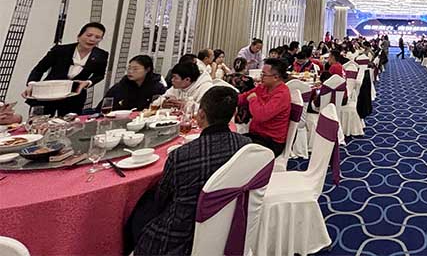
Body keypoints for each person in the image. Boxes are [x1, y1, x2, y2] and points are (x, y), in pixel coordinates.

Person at [132, 86, 251, 255]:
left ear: (201, 114)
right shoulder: (246, 146)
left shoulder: (181, 156)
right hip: (230, 225)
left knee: (140, 207)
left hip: (180, 236)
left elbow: (162, 199)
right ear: (234, 114)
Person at [24, 22, 109, 116]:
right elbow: (39, 69)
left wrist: (88, 82)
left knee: (70, 123)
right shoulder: (60, 50)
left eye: (97, 37)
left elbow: (99, 75)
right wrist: (32, 84)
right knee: (39, 122)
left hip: (74, 96)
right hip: (48, 93)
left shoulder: (101, 55)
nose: (92, 39)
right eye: (89, 35)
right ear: (79, 36)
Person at [240, 58, 291, 157]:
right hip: (257, 135)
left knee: (233, 148)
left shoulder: (282, 94)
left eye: (264, 75)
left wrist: (253, 99)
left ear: (276, 77)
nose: (261, 77)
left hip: (271, 142)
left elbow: (261, 115)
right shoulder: (263, 87)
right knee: (228, 142)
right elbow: (244, 97)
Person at [98, 55, 166, 111]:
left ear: (147, 69)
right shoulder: (119, 87)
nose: (130, 71)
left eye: (135, 69)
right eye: (129, 68)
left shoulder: (158, 88)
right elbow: (101, 108)